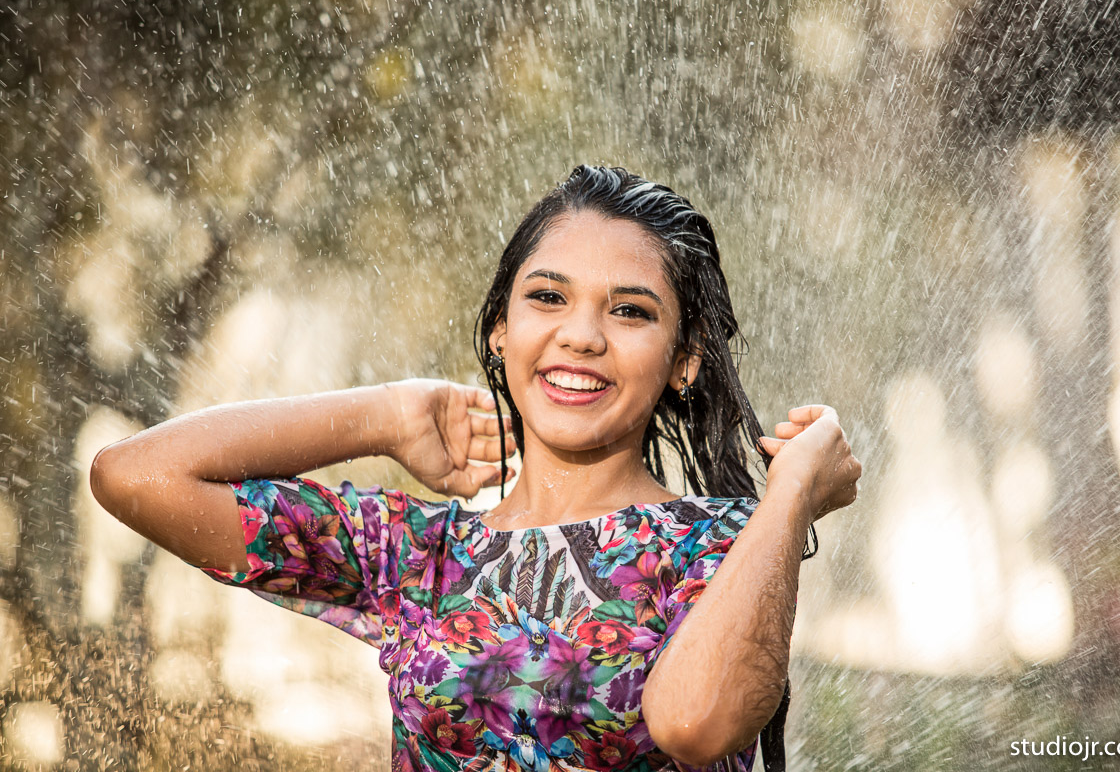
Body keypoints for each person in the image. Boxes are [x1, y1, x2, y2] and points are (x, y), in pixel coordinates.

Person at [90, 164, 862, 771]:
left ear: (684, 359)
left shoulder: (727, 547)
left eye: (630, 311)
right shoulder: (417, 556)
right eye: (548, 297)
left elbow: (696, 724)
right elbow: (135, 476)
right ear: (501, 329)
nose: (582, 336)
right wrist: (385, 416)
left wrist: (788, 496)